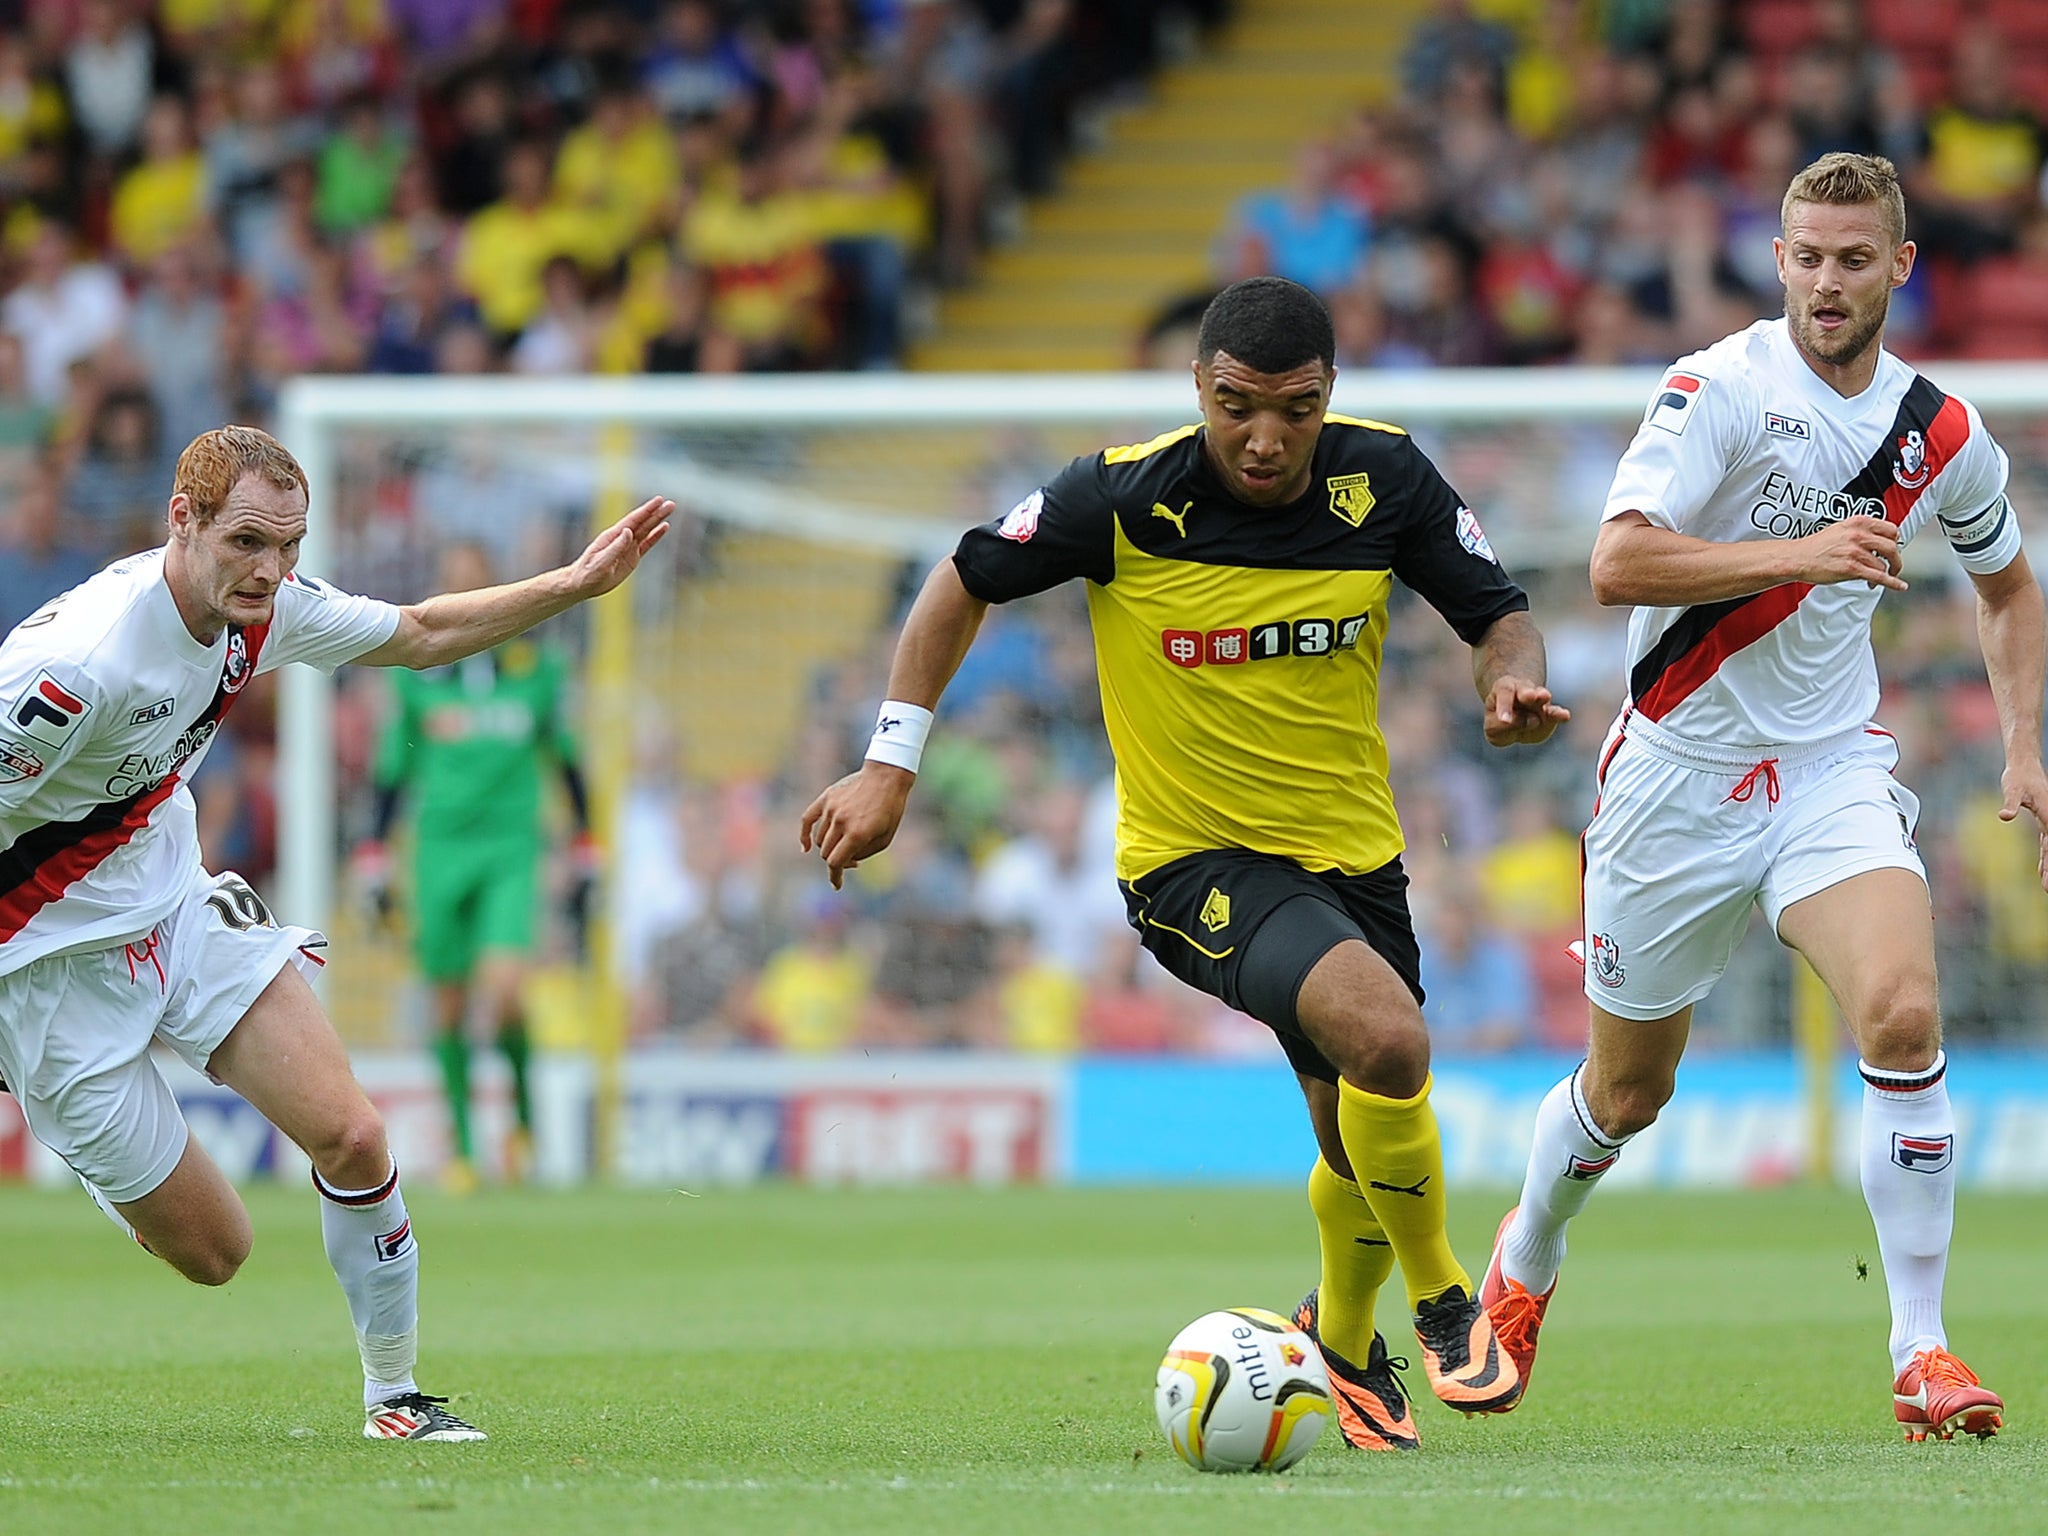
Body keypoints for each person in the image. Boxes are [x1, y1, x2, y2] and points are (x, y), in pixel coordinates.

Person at [802, 276, 1570, 1451]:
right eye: (1235, 405)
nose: (1264, 438)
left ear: (1330, 398)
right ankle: (1445, 1299)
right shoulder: (1118, 496)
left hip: (1355, 860)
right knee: (1390, 1039)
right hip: (1189, 864)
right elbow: (959, 577)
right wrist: (890, 766)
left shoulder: (1389, 480)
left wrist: (1505, 680)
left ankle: (1345, 1346)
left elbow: (1497, 613)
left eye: (1296, 410)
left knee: (1350, 1124)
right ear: (1196, 390)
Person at [1480, 153, 2038, 1444]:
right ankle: (1529, 1254)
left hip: (1830, 769)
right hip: (1676, 777)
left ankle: (1923, 1349)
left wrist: (2022, 747)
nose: (1828, 281)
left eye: (1855, 258)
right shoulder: (1721, 388)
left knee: (1902, 1011)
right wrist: (1806, 549)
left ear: (1901, 267)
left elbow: (2007, 587)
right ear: (1777, 260)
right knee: (1628, 1096)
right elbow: (1618, 561)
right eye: (1808, 256)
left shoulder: (1940, 434)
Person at [0, 425, 669, 1442]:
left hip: (172, 903)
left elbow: (422, 631)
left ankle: (394, 1400)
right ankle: (100, 1158)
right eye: (247, 543)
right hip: (42, 971)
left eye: (290, 547)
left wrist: (572, 586)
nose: (271, 572)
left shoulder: (255, 614)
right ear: (182, 521)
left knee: (353, 1133)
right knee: (215, 1253)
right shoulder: (73, 669)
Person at [356, 542, 596, 1192]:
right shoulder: (413, 677)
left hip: (512, 847)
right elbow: (390, 777)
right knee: (449, 1004)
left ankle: (521, 1124)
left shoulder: (536, 670)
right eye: (451, 583)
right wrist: (374, 863)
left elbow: (568, 765)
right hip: (437, 851)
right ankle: (463, 1149)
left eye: (476, 584)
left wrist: (585, 848)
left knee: (508, 988)